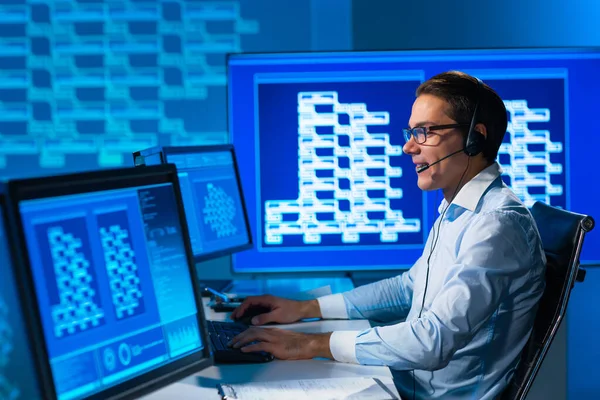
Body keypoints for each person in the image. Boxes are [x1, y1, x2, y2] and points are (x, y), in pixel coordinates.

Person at [228, 71, 546, 399]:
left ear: (474, 138)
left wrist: (311, 343)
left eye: (425, 132)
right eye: (411, 132)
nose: (409, 146)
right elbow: (409, 288)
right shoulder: (459, 209)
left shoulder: (495, 225)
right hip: (405, 386)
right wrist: (307, 309)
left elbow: (432, 341)